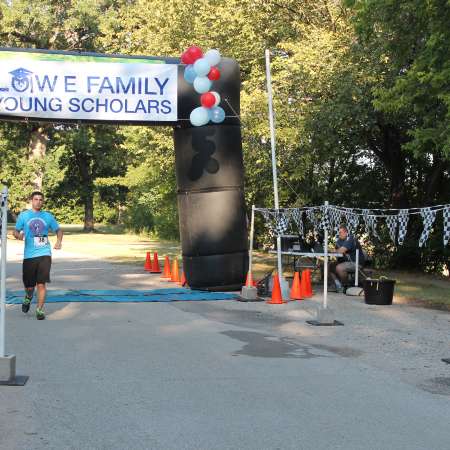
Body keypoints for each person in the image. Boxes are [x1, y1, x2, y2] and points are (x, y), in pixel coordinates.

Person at [13, 191, 63, 320]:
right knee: (29, 286)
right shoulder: (24, 215)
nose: (38, 202)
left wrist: (58, 241)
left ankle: (39, 310)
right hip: (29, 255)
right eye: (36, 199)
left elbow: (58, 230)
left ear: (43, 201)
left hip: (45, 253)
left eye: (41, 199)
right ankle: (28, 297)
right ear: (31, 201)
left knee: (41, 283)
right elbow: (16, 231)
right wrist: (18, 236)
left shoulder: (47, 216)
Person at [329, 225, 364, 292]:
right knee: (330, 266)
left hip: (356, 262)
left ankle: (346, 286)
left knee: (339, 268)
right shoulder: (339, 241)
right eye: (338, 232)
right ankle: (338, 285)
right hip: (345, 262)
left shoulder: (350, 239)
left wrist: (332, 251)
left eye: (340, 232)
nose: (339, 234)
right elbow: (337, 252)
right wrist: (332, 251)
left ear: (346, 233)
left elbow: (341, 250)